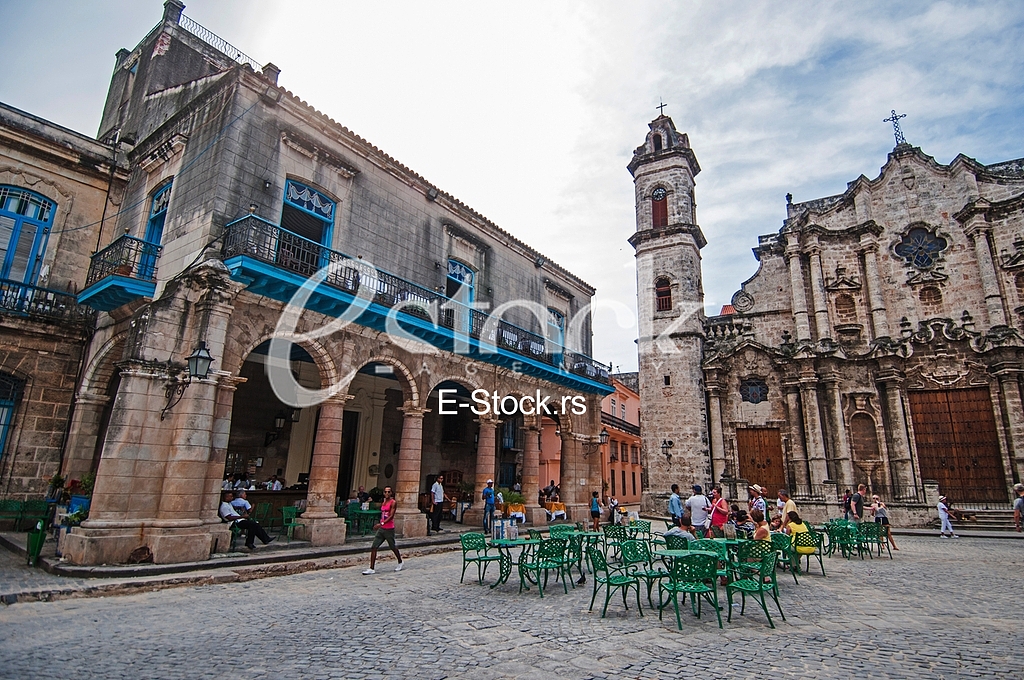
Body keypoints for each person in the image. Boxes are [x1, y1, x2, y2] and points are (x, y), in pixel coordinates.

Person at [363, 486, 403, 574]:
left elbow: (391, 516)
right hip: (382, 529)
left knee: (393, 546)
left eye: (389, 492)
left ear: (391, 493)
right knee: (374, 547)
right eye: (385, 492)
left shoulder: (393, 502)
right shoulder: (384, 502)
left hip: (389, 528)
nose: (387, 493)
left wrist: (381, 523)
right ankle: (371, 568)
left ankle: (400, 561)